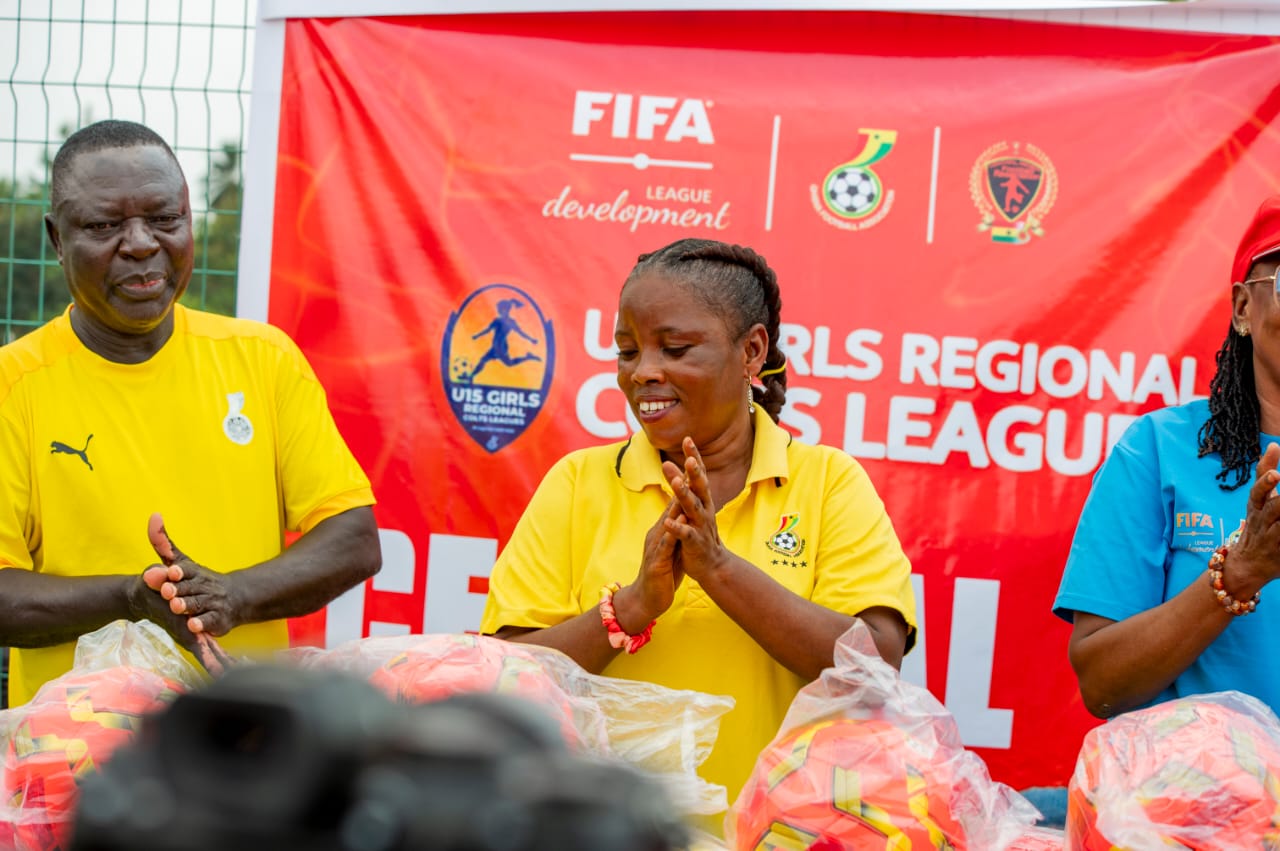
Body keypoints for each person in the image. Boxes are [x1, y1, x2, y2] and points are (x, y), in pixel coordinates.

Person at [480, 237, 917, 803]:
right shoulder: (576, 482)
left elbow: (876, 665)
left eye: (676, 348)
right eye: (628, 351)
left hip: (772, 835)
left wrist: (719, 569)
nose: (644, 372)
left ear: (751, 352)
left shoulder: (829, 482)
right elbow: (506, 679)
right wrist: (631, 608)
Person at [0, 120, 381, 706]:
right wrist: (131, 597)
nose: (141, 243)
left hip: (247, 738)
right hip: (71, 754)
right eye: (104, 225)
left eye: (164, 219)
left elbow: (353, 538)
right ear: (56, 239)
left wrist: (233, 595)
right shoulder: (12, 386)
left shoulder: (264, 359)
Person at [1054, 194, 1280, 721]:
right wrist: (1238, 574)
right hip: (1197, 796)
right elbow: (1104, 684)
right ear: (1244, 307)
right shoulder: (1158, 449)